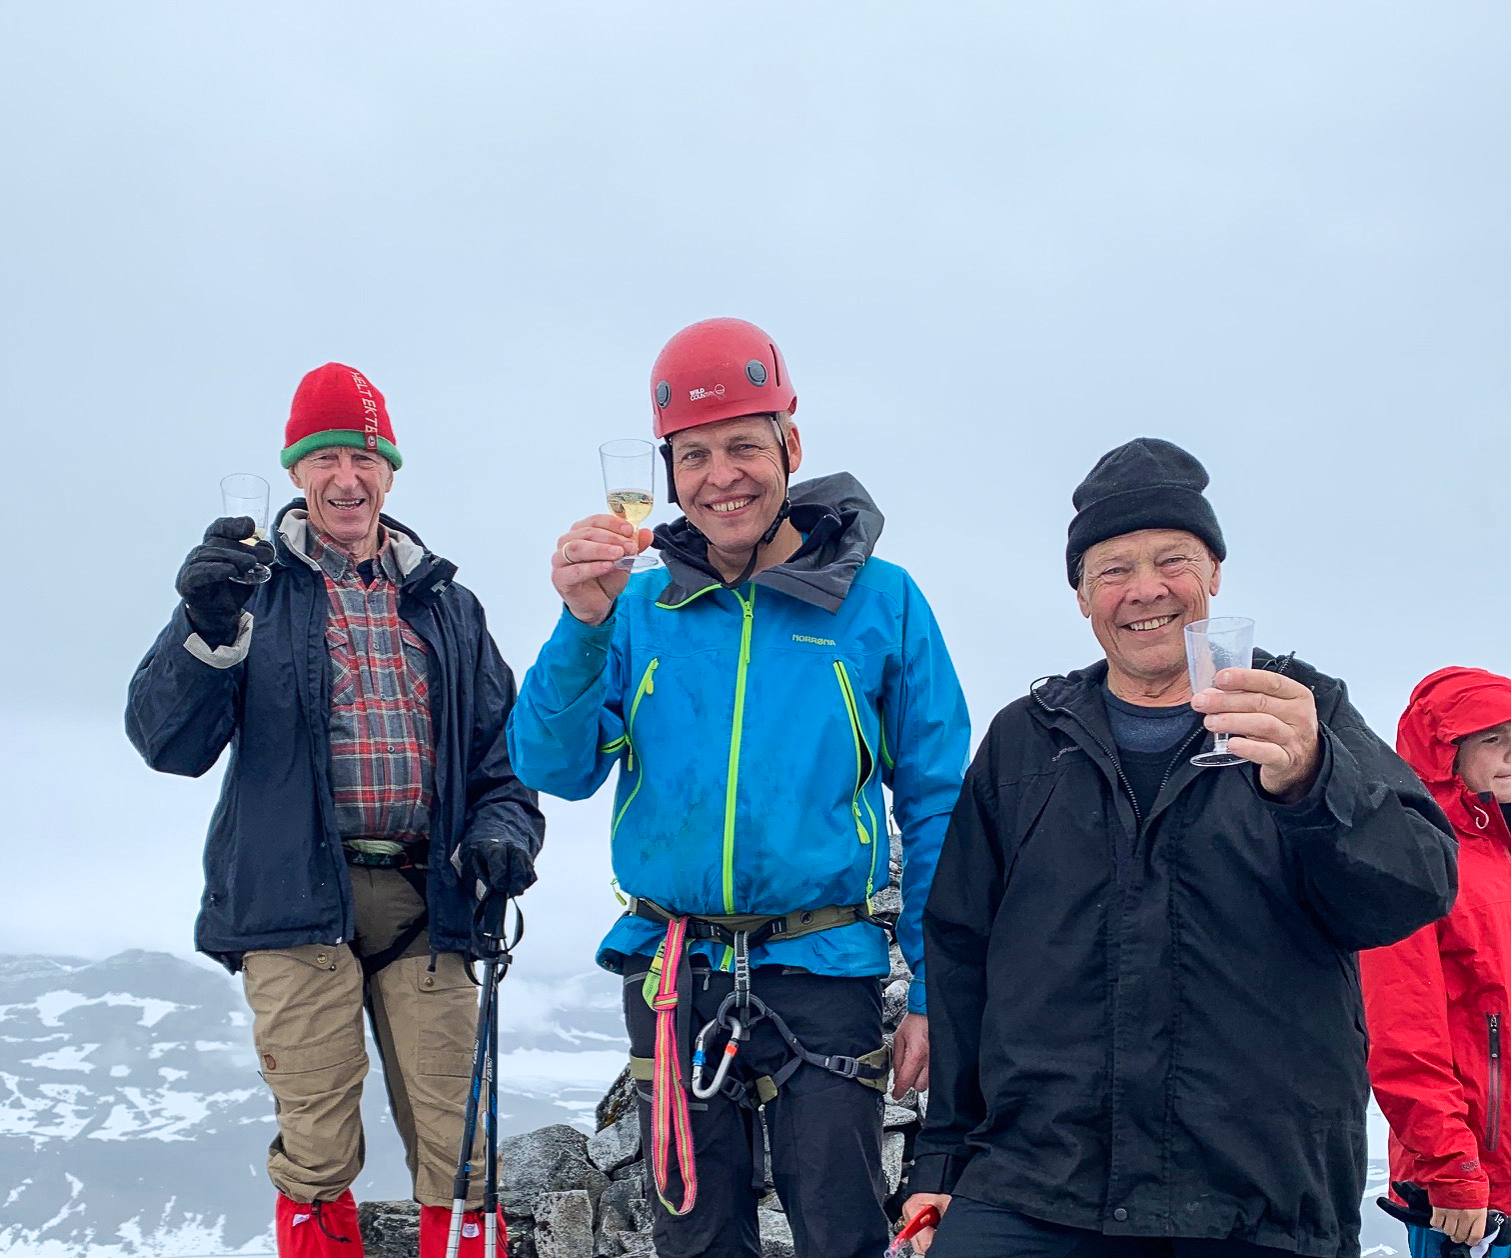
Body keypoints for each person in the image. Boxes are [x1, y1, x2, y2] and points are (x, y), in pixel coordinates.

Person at [901, 436, 1457, 1257]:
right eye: (1112, 570)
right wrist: (941, 1159)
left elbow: (1411, 892)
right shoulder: (1026, 741)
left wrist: (1313, 782)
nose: (1145, 590)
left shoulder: (1304, 711)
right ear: (1081, 598)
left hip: (1258, 1195)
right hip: (1034, 1187)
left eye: (1172, 560)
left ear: (1215, 576)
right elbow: (958, 950)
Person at [506, 317, 970, 1258]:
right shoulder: (636, 608)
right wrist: (580, 624)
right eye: (696, 454)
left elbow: (936, 803)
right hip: (673, 970)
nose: (723, 476)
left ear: (790, 446)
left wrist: (930, 985)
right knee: (695, 1240)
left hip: (825, 966)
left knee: (840, 1230)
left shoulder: (883, 602)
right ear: (670, 471)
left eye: (745, 447)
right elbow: (551, 766)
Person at [125, 363, 545, 1258]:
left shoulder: (448, 605)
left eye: (363, 456)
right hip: (290, 897)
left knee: (460, 1144)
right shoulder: (247, 593)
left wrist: (504, 830)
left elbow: (502, 757)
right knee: (316, 1147)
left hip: (430, 896)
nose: (346, 478)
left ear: (390, 471)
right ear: (296, 472)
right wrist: (202, 626)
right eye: (324, 458)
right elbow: (168, 745)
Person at [1362, 667, 1511, 1257]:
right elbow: (1402, 1036)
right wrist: (1452, 1168)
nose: (1510, 755)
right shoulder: (1414, 859)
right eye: (1490, 738)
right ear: (1446, 749)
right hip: (1469, 1194)